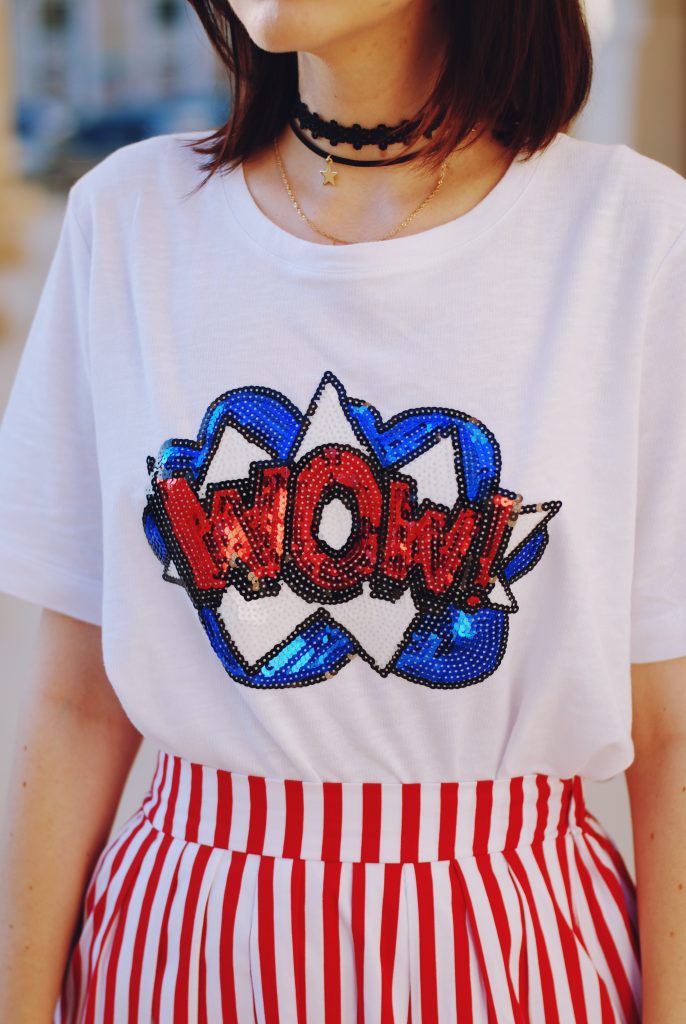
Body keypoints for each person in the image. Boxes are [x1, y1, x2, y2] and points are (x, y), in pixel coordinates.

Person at [0, 0, 685, 1020]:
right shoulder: (128, 219)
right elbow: (72, 703)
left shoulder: (632, 238)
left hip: (508, 955)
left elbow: (669, 732)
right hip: (178, 952)